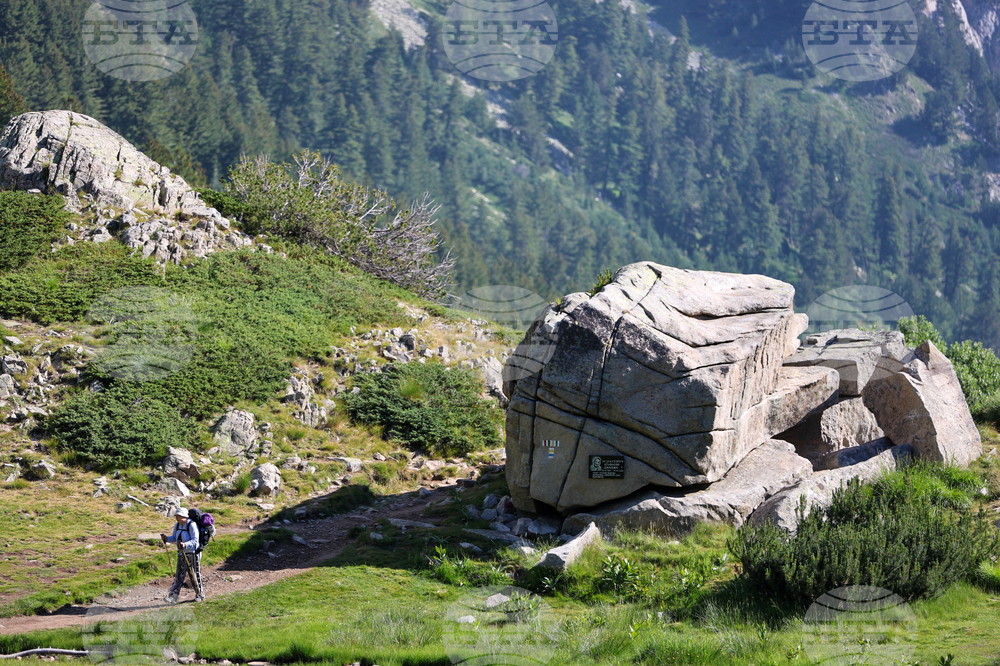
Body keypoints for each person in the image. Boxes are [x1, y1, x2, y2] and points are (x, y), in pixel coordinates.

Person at [161, 507, 203, 603]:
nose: (177, 518)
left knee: (194, 574)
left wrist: (185, 544)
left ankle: (200, 595)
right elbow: (175, 537)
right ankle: (173, 597)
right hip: (181, 553)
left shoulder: (192, 525)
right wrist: (166, 539)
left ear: (185, 516)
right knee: (179, 575)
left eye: (179, 516)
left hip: (192, 554)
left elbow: (195, 540)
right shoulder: (178, 525)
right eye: (176, 516)